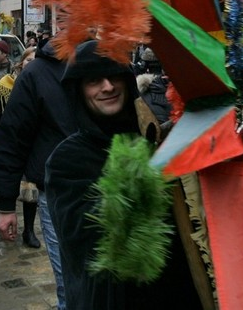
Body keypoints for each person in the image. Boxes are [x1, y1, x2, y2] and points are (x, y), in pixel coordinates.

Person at [45, 39, 204, 310]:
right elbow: (82, 235)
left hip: (175, 293)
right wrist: (138, 178)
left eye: (114, 77)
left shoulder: (150, 138)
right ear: (80, 91)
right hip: (110, 298)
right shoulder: (67, 159)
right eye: (94, 81)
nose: (107, 87)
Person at [0, 39, 78, 310]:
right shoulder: (37, 73)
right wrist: (6, 205)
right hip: (57, 193)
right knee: (70, 281)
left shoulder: (110, 66)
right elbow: (13, 138)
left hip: (109, 191)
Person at [0, 46, 40, 248]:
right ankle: (6, 218)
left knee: (30, 190)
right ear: (21, 63)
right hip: (8, 144)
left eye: (36, 60)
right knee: (7, 185)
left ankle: (29, 230)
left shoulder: (41, 85)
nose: (32, 64)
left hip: (32, 145)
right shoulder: (6, 84)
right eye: (28, 60)